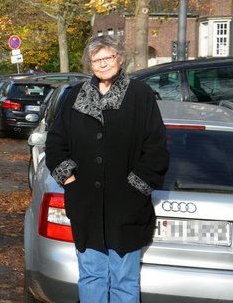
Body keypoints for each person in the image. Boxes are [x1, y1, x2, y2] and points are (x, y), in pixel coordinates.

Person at [45, 34, 169, 302]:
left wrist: (136, 188)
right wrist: (69, 179)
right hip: (86, 205)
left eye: (108, 57)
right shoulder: (76, 96)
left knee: (124, 281)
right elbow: (55, 143)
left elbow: (156, 148)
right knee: (91, 276)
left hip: (127, 207)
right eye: (96, 59)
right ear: (90, 64)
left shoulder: (139, 95)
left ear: (119, 58)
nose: (102, 64)